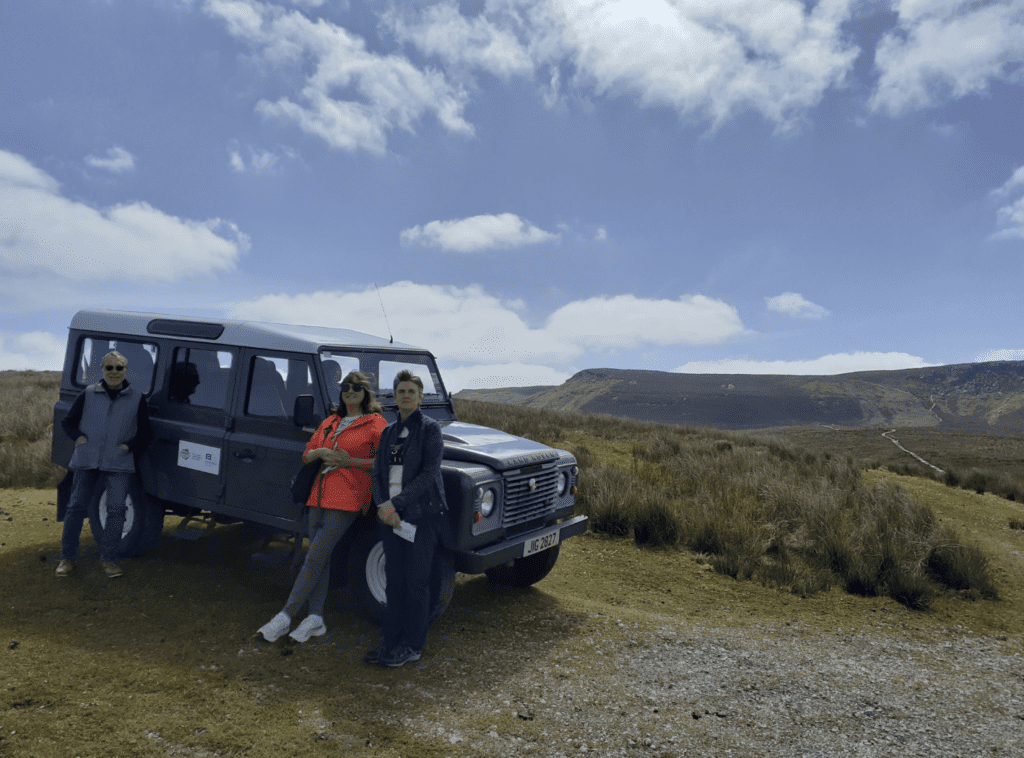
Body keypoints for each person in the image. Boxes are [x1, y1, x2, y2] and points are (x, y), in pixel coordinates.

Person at [257, 371, 387, 643]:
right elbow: (307, 453)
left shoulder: (376, 424)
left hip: (348, 497)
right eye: (346, 387)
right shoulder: (331, 421)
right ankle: (315, 617)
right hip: (317, 495)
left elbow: (383, 463)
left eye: (356, 388)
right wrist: (319, 453)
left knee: (314, 557)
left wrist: (351, 462)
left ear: (365, 393)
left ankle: (285, 616)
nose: (350, 391)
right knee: (322, 557)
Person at [364, 370, 447, 667]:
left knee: (416, 582)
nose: (406, 396)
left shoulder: (430, 430)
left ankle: (412, 646)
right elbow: (377, 474)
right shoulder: (388, 432)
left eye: (412, 391)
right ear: (394, 396)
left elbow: (428, 475)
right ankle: (391, 642)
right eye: (401, 391)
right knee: (394, 581)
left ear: (421, 396)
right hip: (391, 517)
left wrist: (394, 504)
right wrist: (382, 505)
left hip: (420, 517)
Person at [56, 351, 151, 579]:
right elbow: (68, 422)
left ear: (126, 371)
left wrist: (128, 447)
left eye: (119, 368)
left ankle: (109, 560)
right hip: (87, 460)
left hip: (118, 462)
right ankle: (67, 559)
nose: (114, 373)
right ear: (103, 370)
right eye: (109, 368)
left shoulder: (137, 398)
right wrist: (80, 438)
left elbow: (146, 433)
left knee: (116, 511)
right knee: (76, 507)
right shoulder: (88, 393)